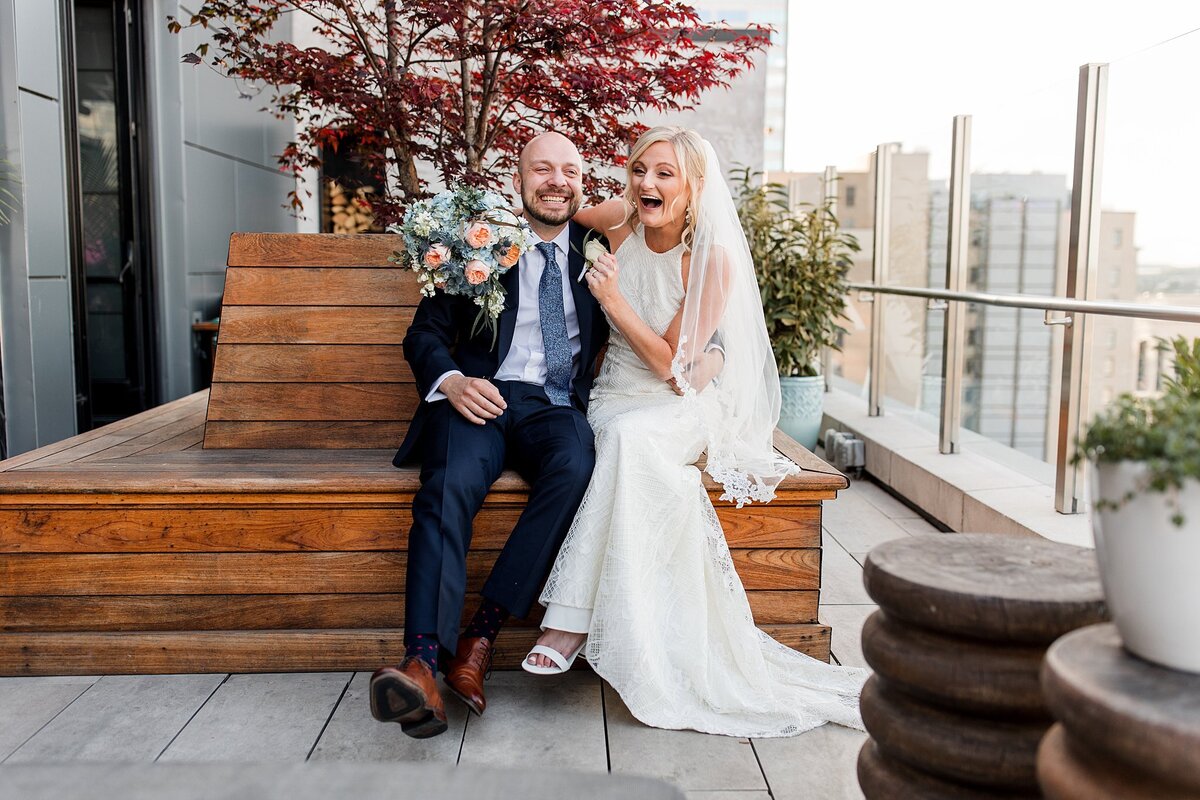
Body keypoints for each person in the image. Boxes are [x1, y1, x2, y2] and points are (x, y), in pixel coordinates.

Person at [524, 126, 867, 737]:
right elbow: (560, 216)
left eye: (664, 175)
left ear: (693, 188)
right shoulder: (620, 222)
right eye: (639, 170)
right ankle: (624, 628)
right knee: (631, 450)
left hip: (675, 402)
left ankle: (571, 623)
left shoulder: (710, 259)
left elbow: (673, 368)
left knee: (635, 445)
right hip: (613, 397)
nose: (646, 184)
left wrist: (613, 300)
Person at [369, 132, 610, 739]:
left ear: (583, 183)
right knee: (446, 484)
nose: (557, 180)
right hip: (478, 395)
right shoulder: (479, 244)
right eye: (542, 169)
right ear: (518, 179)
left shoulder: (604, 251)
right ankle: (422, 663)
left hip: (554, 406)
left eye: (571, 170)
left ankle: (479, 638)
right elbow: (422, 335)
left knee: (578, 466)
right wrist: (450, 381)